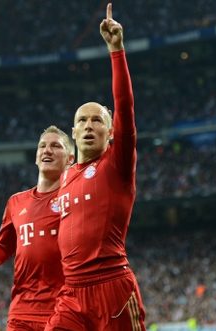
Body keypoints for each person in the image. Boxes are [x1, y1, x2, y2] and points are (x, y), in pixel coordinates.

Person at [44, 3, 147, 330]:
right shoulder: (65, 177)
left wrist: (116, 51)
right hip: (71, 294)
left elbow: (125, 107)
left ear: (111, 130)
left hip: (112, 289)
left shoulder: (117, 164)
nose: (89, 125)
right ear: (73, 133)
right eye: (82, 121)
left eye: (97, 120)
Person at [0, 125, 75, 330]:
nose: (47, 150)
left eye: (56, 146)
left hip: (64, 309)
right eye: (42, 146)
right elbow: (4, 247)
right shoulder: (16, 202)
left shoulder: (77, 199)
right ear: (37, 156)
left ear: (70, 159)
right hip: (22, 311)